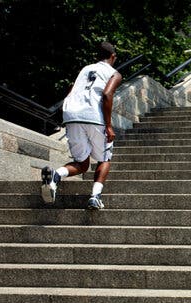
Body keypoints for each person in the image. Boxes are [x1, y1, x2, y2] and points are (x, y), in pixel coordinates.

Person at [41, 41, 122, 210]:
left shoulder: (85, 69)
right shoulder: (114, 73)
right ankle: (95, 197)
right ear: (113, 56)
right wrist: (108, 126)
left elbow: (72, 92)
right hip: (94, 116)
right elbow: (107, 95)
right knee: (104, 158)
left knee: (82, 164)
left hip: (72, 115)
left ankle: (56, 175)